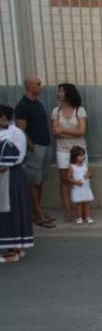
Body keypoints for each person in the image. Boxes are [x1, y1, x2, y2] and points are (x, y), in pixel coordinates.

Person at [15, 76, 55, 229]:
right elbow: (21, 130)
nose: (41, 86)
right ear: (29, 86)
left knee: (39, 182)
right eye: (38, 84)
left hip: (45, 145)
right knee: (33, 182)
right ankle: (38, 215)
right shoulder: (22, 106)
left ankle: (38, 212)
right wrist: (32, 146)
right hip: (36, 148)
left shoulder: (39, 104)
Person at [0, 104, 33, 264]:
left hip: (11, 176)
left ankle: (14, 248)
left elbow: (18, 156)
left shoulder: (16, 133)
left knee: (13, 208)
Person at [50, 83, 87, 223]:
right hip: (62, 151)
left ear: (68, 93)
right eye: (58, 91)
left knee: (80, 179)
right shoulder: (56, 111)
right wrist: (73, 133)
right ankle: (67, 211)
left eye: (61, 91)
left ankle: (82, 211)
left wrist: (63, 131)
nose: (58, 93)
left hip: (79, 151)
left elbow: (82, 131)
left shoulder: (80, 110)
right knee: (65, 181)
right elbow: (54, 132)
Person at [68, 146, 94, 224]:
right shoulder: (72, 167)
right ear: (75, 157)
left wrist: (89, 175)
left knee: (87, 203)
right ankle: (79, 217)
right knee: (79, 203)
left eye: (83, 155)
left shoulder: (85, 165)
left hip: (86, 187)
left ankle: (88, 216)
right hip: (78, 188)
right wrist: (75, 182)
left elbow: (90, 175)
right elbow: (68, 178)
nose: (83, 157)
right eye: (80, 155)